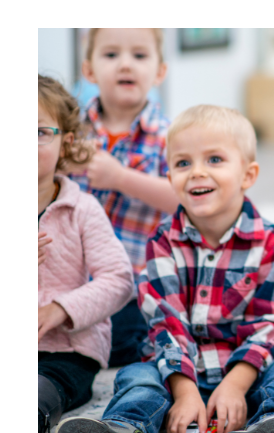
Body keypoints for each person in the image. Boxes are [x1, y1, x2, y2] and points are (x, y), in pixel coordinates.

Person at [54, 105, 274, 433]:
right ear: (170, 177)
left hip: (252, 370)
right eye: (183, 163)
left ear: (248, 174)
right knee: (136, 376)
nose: (197, 171)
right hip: (177, 369)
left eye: (214, 159)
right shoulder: (163, 241)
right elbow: (166, 323)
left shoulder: (272, 243)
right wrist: (183, 389)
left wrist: (235, 385)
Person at [67, 28, 179, 366]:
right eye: (111, 54)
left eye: (140, 55)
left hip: (131, 285)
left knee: (123, 346)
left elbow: (184, 197)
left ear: (160, 71)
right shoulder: (70, 129)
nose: (125, 65)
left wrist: (121, 178)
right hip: (69, 276)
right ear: (88, 70)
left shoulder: (170, 135)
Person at [38, 75, 134, 433]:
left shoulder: (83, 208)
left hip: (68, 351)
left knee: (41, 391)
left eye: (40, 132)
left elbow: (118, 279)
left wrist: (59, 310)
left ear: (66, 143)